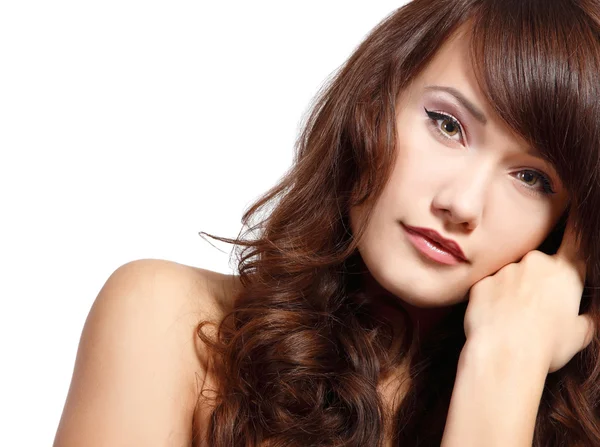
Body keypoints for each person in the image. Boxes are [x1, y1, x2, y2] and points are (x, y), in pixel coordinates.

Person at [53, 0, 600, 445]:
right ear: (371, 104)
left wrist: (506, 365)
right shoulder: (172, 324)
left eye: (533, 178)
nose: (462, 204)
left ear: (570, 225)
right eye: (446, 124)